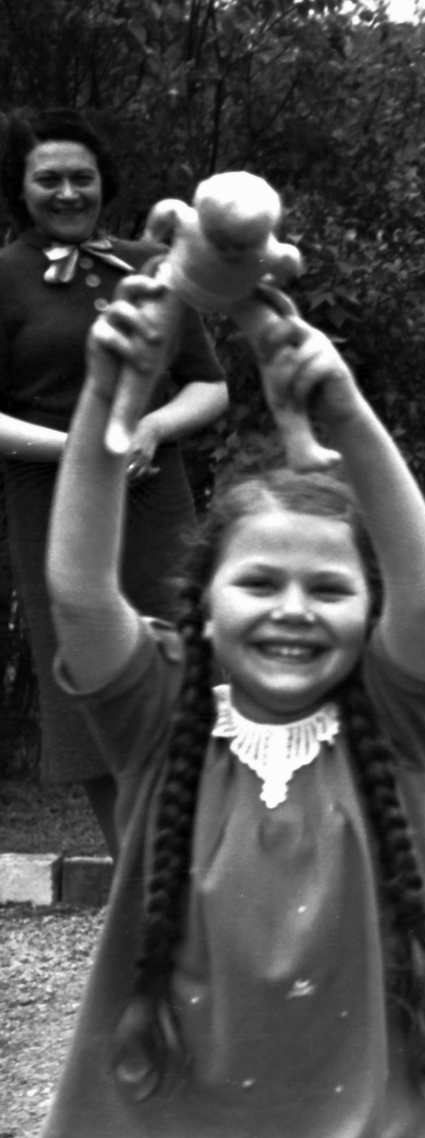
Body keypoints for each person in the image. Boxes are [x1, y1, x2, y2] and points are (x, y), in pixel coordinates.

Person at [38, 275, 425, 1137]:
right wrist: (110, 396)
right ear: (203, 604)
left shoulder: (393, 722)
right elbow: (77, 592)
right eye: (258, 582)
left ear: (371, 611)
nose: (293, 608)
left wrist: (348, 413)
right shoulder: (158, 713)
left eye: (329, 587)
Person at [0, 108, 228, 856]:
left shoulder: (153, 268)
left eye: (82, 178)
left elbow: (208, 387)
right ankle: (144, 881)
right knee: (89, 680)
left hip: (155, 500)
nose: (68, 192)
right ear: (20, 188)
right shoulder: (5, 277)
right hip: (54, 506)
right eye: (49, 179)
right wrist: (81, 448)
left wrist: (155, 426)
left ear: (105, 184)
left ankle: (205, 873)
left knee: (183, 671)